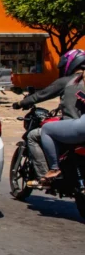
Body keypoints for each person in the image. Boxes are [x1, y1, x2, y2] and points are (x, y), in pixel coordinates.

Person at [12, 49, 85, 186]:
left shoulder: (68, 81)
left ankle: (50, 172)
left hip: (78, 128)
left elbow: (42, 94)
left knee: (37, 133)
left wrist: (21, 103)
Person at [37, 50, 85, 182]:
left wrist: (19, 103)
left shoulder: (71, 80)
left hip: (81, 126)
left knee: (46, 129)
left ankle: (54, 168)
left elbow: (41, 94)